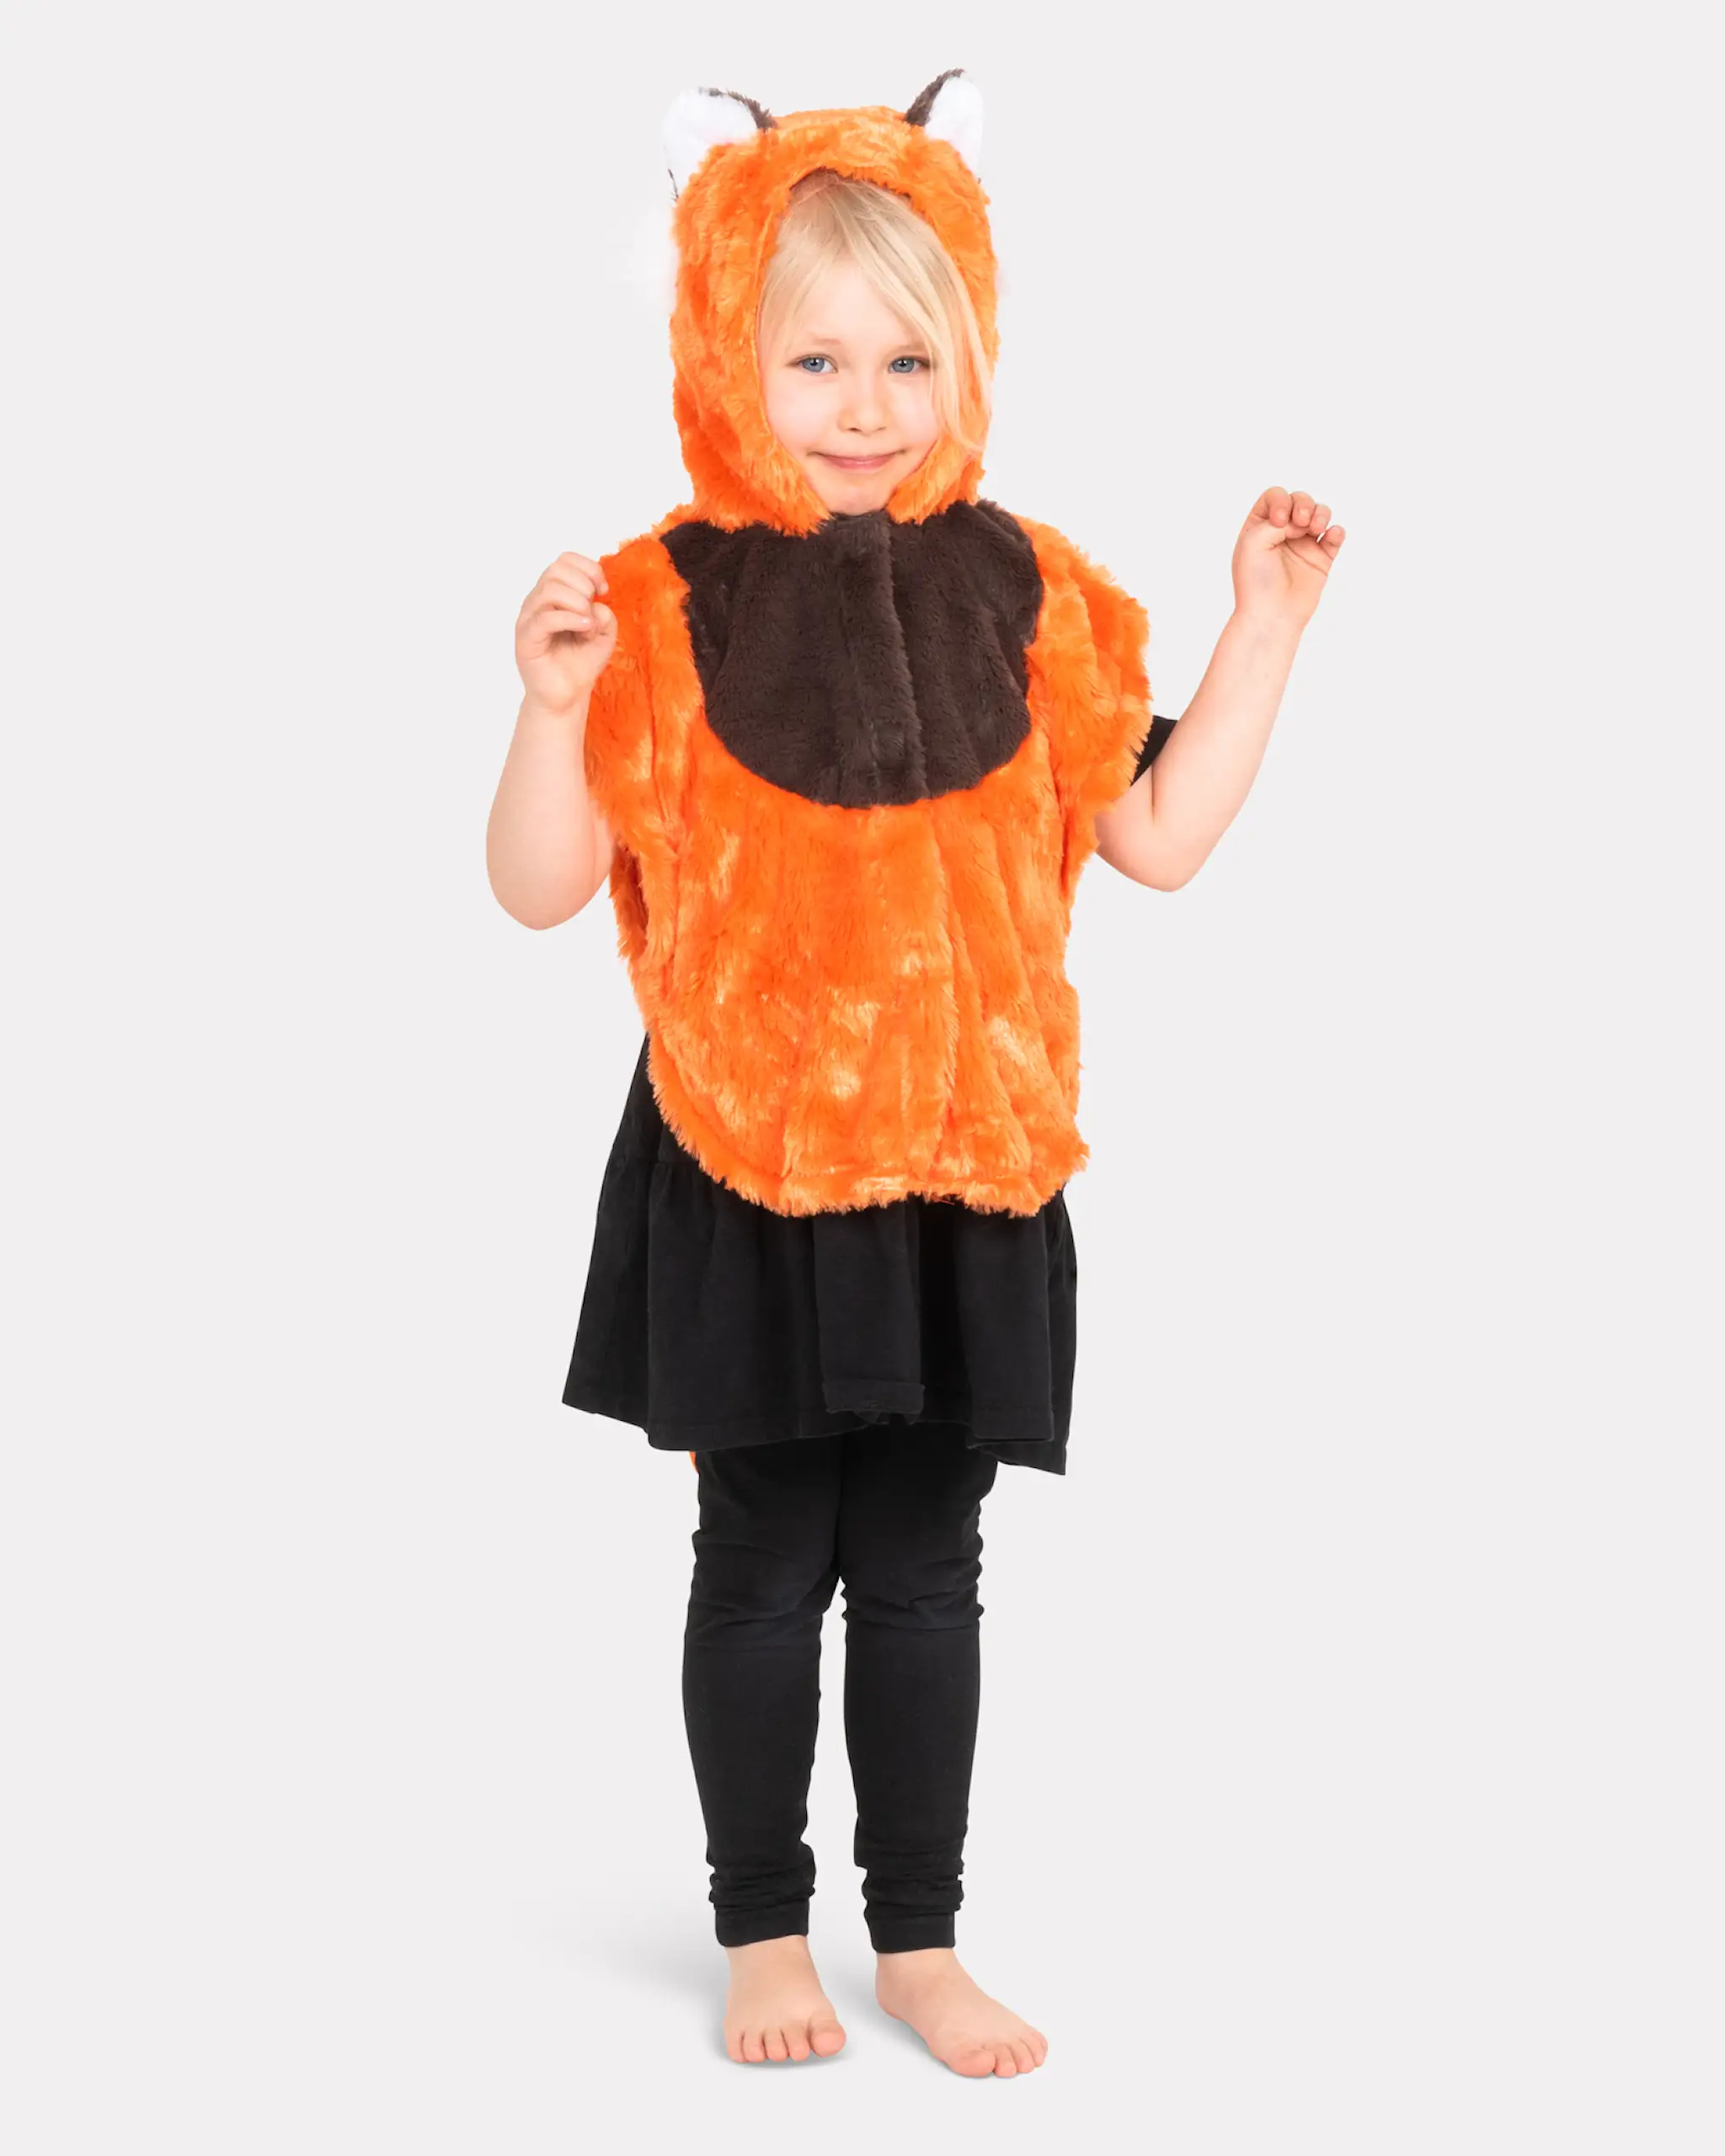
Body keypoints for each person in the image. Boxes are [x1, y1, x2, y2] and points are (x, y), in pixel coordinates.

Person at [486, 70, 1345, 2078]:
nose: (862, 403)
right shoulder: (654, 603)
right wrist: (543, 709)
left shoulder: (1031, 589)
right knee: (762, 1557)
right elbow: (537, 888)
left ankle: (923, 1935)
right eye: (812, 359)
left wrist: (1263, 629)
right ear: (728, 352)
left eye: (904, 357)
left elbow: (1156, 836)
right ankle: (759, 1926)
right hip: (751, 1159)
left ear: (966, 355)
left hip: (968, 1157)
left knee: (927, 1573)